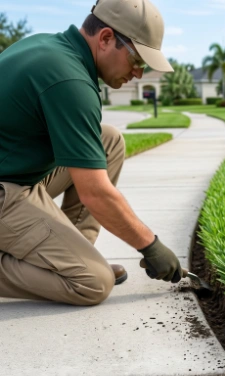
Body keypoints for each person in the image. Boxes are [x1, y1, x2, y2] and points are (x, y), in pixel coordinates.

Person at [0, 0, 183, 306]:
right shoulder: (69, 81)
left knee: (107, 140)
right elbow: (95, 193)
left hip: (15, 174)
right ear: (106, 38)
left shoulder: (49, 47)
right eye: (137, 60)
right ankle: (76, 269)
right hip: (7, 190)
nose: (138, 73)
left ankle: (72, 255)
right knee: (93, 283)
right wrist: (150, 245)